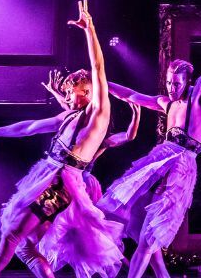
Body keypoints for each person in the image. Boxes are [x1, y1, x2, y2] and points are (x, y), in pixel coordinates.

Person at [99, 9, 201, 278]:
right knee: (135, 220)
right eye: (168, 82)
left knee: (150, 237)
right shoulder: (167, 102)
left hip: (182, 162)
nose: (171, 87)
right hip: (161, 158)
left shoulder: (199, 93)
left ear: (187, 81)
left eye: (176, 83)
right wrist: (100, 83)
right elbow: (131, 94)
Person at [0, 0, 124, 278]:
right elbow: (31, 127)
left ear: (85, 92)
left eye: (71, 91)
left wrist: (90, 30)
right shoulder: (70, 117)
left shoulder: (97, 115)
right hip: (48, 177)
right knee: (25, 246)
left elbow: (98, 68)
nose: (67, 95)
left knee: (11, 238)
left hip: (59, 185)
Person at [42, 69, 142, 202]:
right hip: (66, 176)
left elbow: (129, 136)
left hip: (81, 181)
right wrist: (55, 92)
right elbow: (68, 108)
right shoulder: (83, 126)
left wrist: (136, 116)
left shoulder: (104, 140)